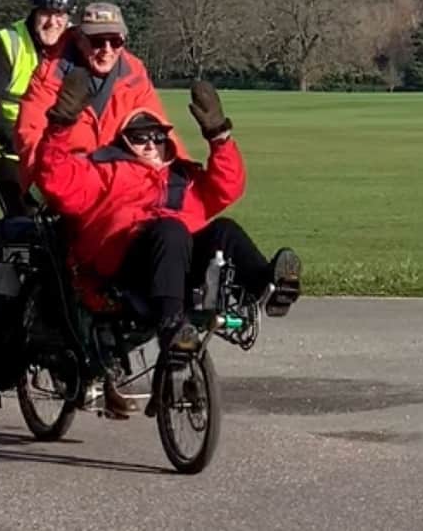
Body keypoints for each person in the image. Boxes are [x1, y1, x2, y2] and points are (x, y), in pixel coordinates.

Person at [34, 70, 301, 417]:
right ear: (124, 141)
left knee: (224, 230)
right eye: (140, 137)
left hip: (174, 262)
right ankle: (173, 327)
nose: (150, 144)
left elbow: (228, 187)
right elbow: (54, 179)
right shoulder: (102, 171)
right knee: (170, 230)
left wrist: (219, 136)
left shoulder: (183, 176)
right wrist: (61, 123)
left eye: (157, 137)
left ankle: (267, 285)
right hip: (123, 265)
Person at [14, 1, 192, 195]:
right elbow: (31, 137)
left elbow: (160, 130)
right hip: (68, 186)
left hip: (119, 188)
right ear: (80, 39)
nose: (107, 49)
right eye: (98, 41)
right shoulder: (49, 75)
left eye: (116, 41)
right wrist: (46, 187)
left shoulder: (134, 74)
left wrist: (185, 175)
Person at [0, 0, 76, 217]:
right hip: (11, 149)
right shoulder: (10, 41)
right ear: (34, 12)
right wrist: (15, 140)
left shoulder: (77, 42)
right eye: (45, 13)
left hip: (62, 152)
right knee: (27, 224)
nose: (52, 22)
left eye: (60, 14)